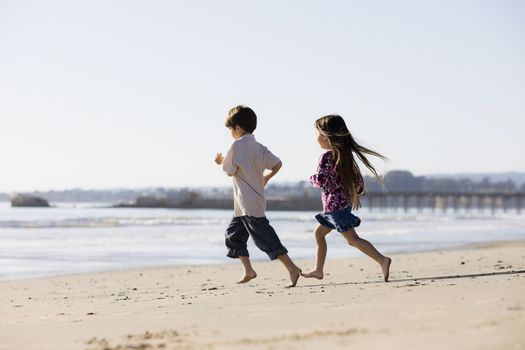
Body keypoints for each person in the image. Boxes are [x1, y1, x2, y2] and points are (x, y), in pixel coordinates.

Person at [214, 105, 302, 287]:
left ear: (237, 127)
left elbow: (230, 171)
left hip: (248, 204)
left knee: (265, 239)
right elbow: (277, 164)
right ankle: (248, 270)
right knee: (233, 236)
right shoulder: (259, 147)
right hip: (246, 204)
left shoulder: (236, 145)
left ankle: (292, 268)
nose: (230, 133)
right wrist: (267, 177)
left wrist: (220, 162)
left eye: (230, 129)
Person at [302, 114, 392, 282]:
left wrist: (311, 178)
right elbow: (358, 180)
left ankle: (382, 260)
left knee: (352, 240)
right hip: (337, 207)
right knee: (319, 234)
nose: (316, 138)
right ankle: (318, 270)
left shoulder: (327, 157)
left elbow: (322, 180)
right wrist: (356, 194)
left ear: (327, 136)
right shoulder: (344, 156)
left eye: (318, 134)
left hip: (334, 208)